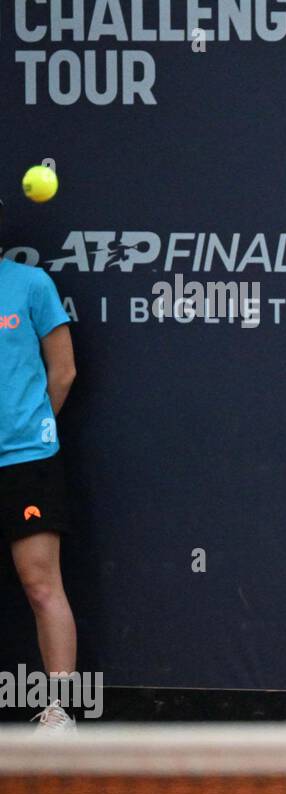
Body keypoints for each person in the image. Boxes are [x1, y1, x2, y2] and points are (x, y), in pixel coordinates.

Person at [0, 208, 79, 735]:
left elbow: (64, 370)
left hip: (26, 460)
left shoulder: (30, 284)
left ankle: (59, 711)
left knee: (40, 584)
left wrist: (30, 427)